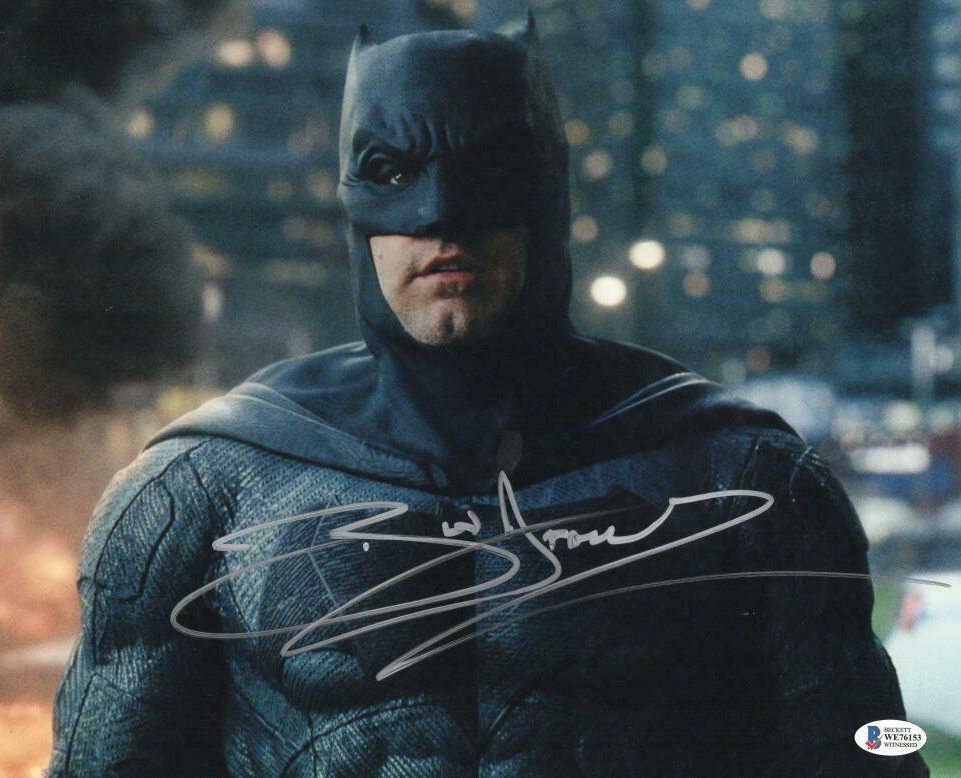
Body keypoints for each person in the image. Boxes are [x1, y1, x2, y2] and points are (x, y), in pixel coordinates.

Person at [48, 17, 928, 777]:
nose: (442, 216)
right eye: (391, 170)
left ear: (546, 200)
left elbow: (865, 757)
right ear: (354, 210)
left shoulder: (746, 481)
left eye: (491, 168)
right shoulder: (200, 492)